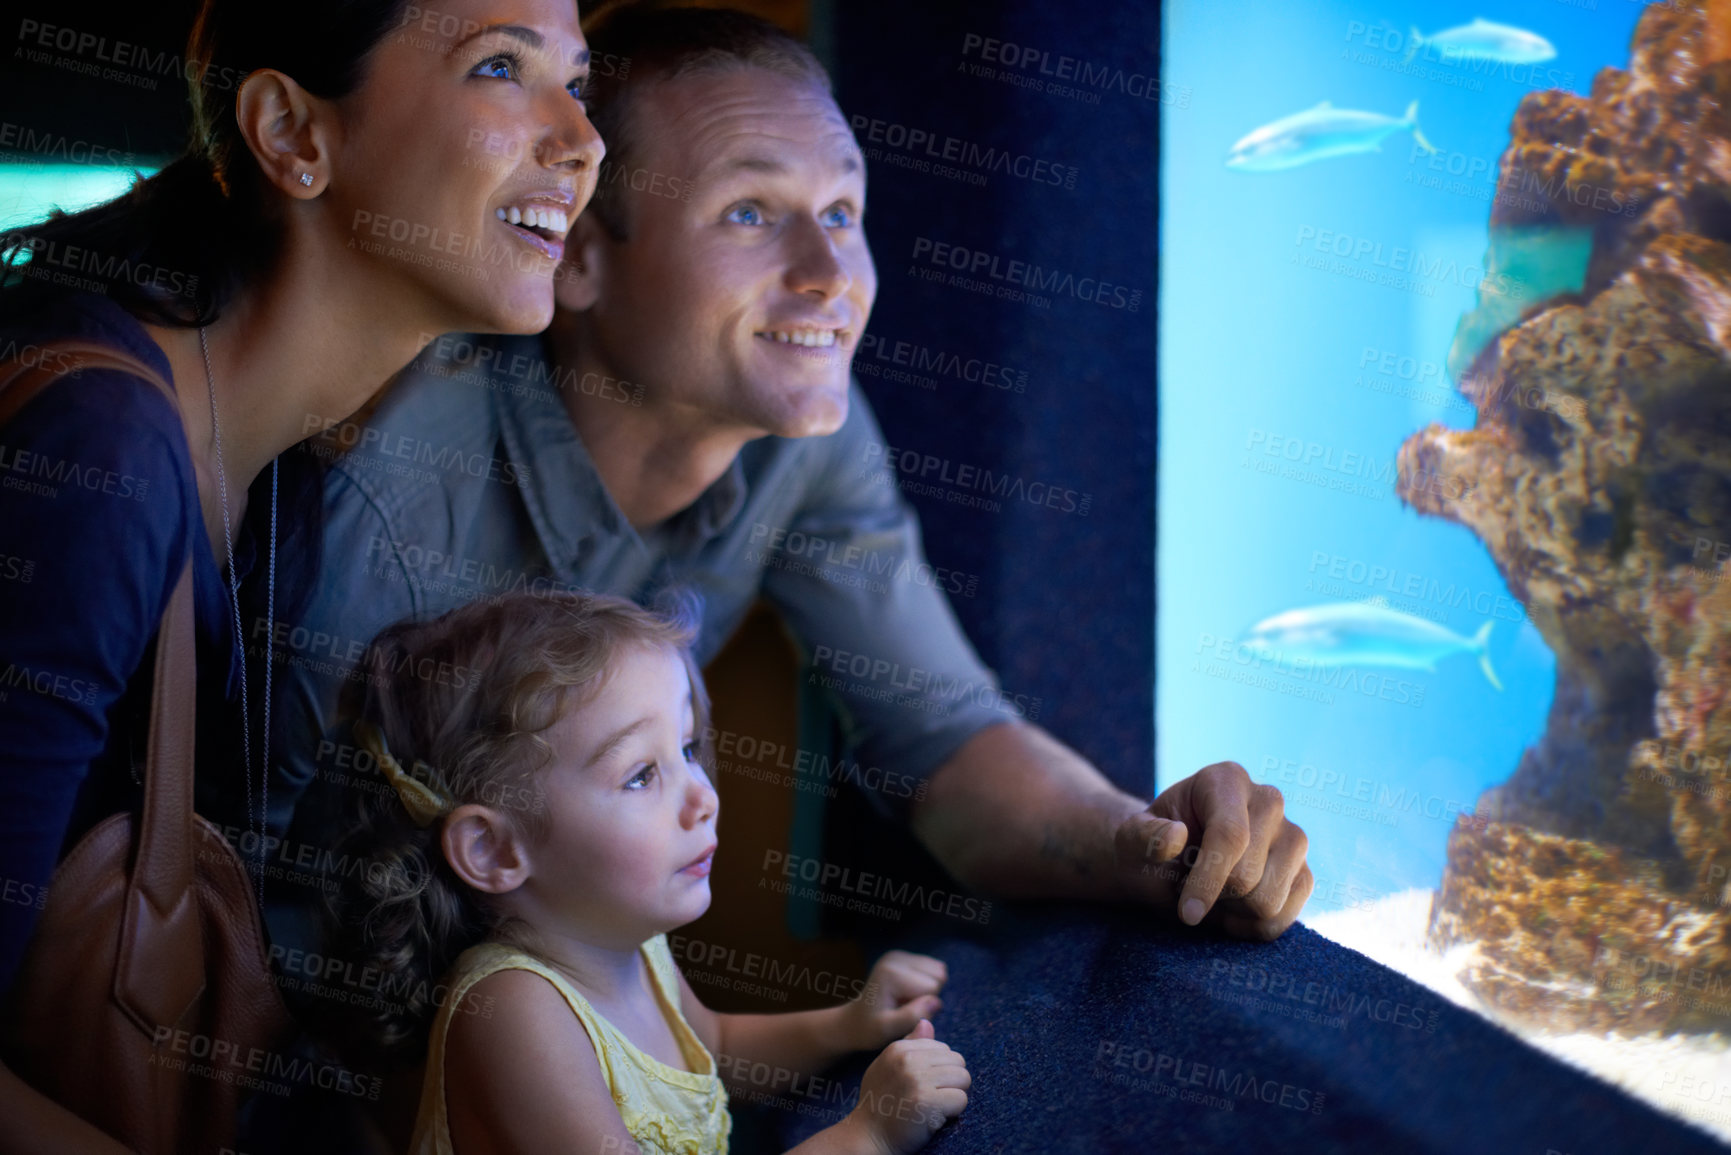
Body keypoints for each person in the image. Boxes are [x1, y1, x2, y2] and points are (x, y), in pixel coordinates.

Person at [280, 3, 1310, 956]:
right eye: (748, 213)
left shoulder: (801, 427)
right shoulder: (400, 497)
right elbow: (267, 876)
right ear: (580, 254)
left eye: (845, 211)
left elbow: (947, 746)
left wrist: (1144, 843)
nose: (830, 274)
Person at [0, 0, 602, 1144]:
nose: (583, 139)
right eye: (500, 67)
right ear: (291, 134)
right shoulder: (99, 460)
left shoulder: (294, 471)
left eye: (578, 80)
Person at [327, 590, 970, 1155]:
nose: (704, 798)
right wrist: (868, 1136)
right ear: (494, 851)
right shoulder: (514, 1014)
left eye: (687, 749)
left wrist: (846, 1024)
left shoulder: (624, 942)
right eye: (641, 774)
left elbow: (712, 1046)